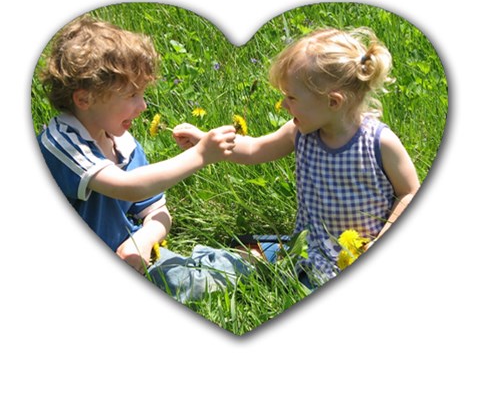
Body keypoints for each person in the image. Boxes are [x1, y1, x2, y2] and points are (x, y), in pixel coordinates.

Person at [173, 27, 420, 287]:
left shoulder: (378, 143)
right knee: (243, 250)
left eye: (291, 97)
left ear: (333, 102)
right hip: (310, 248)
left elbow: (409, 193)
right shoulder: (299, 133)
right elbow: (255, 149)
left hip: (360, 254)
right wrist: (205, 141)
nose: (282, 105)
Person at [37, 15, 249, 299]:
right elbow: (129, 186)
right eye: (132, 95)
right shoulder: (61, 143)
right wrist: (201, 154)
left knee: (190, 281)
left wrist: (143, 239)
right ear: (84, 99)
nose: (143, 105)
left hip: (128, 257)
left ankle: (252, 258)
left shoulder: (122, 142)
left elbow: (157, 211)